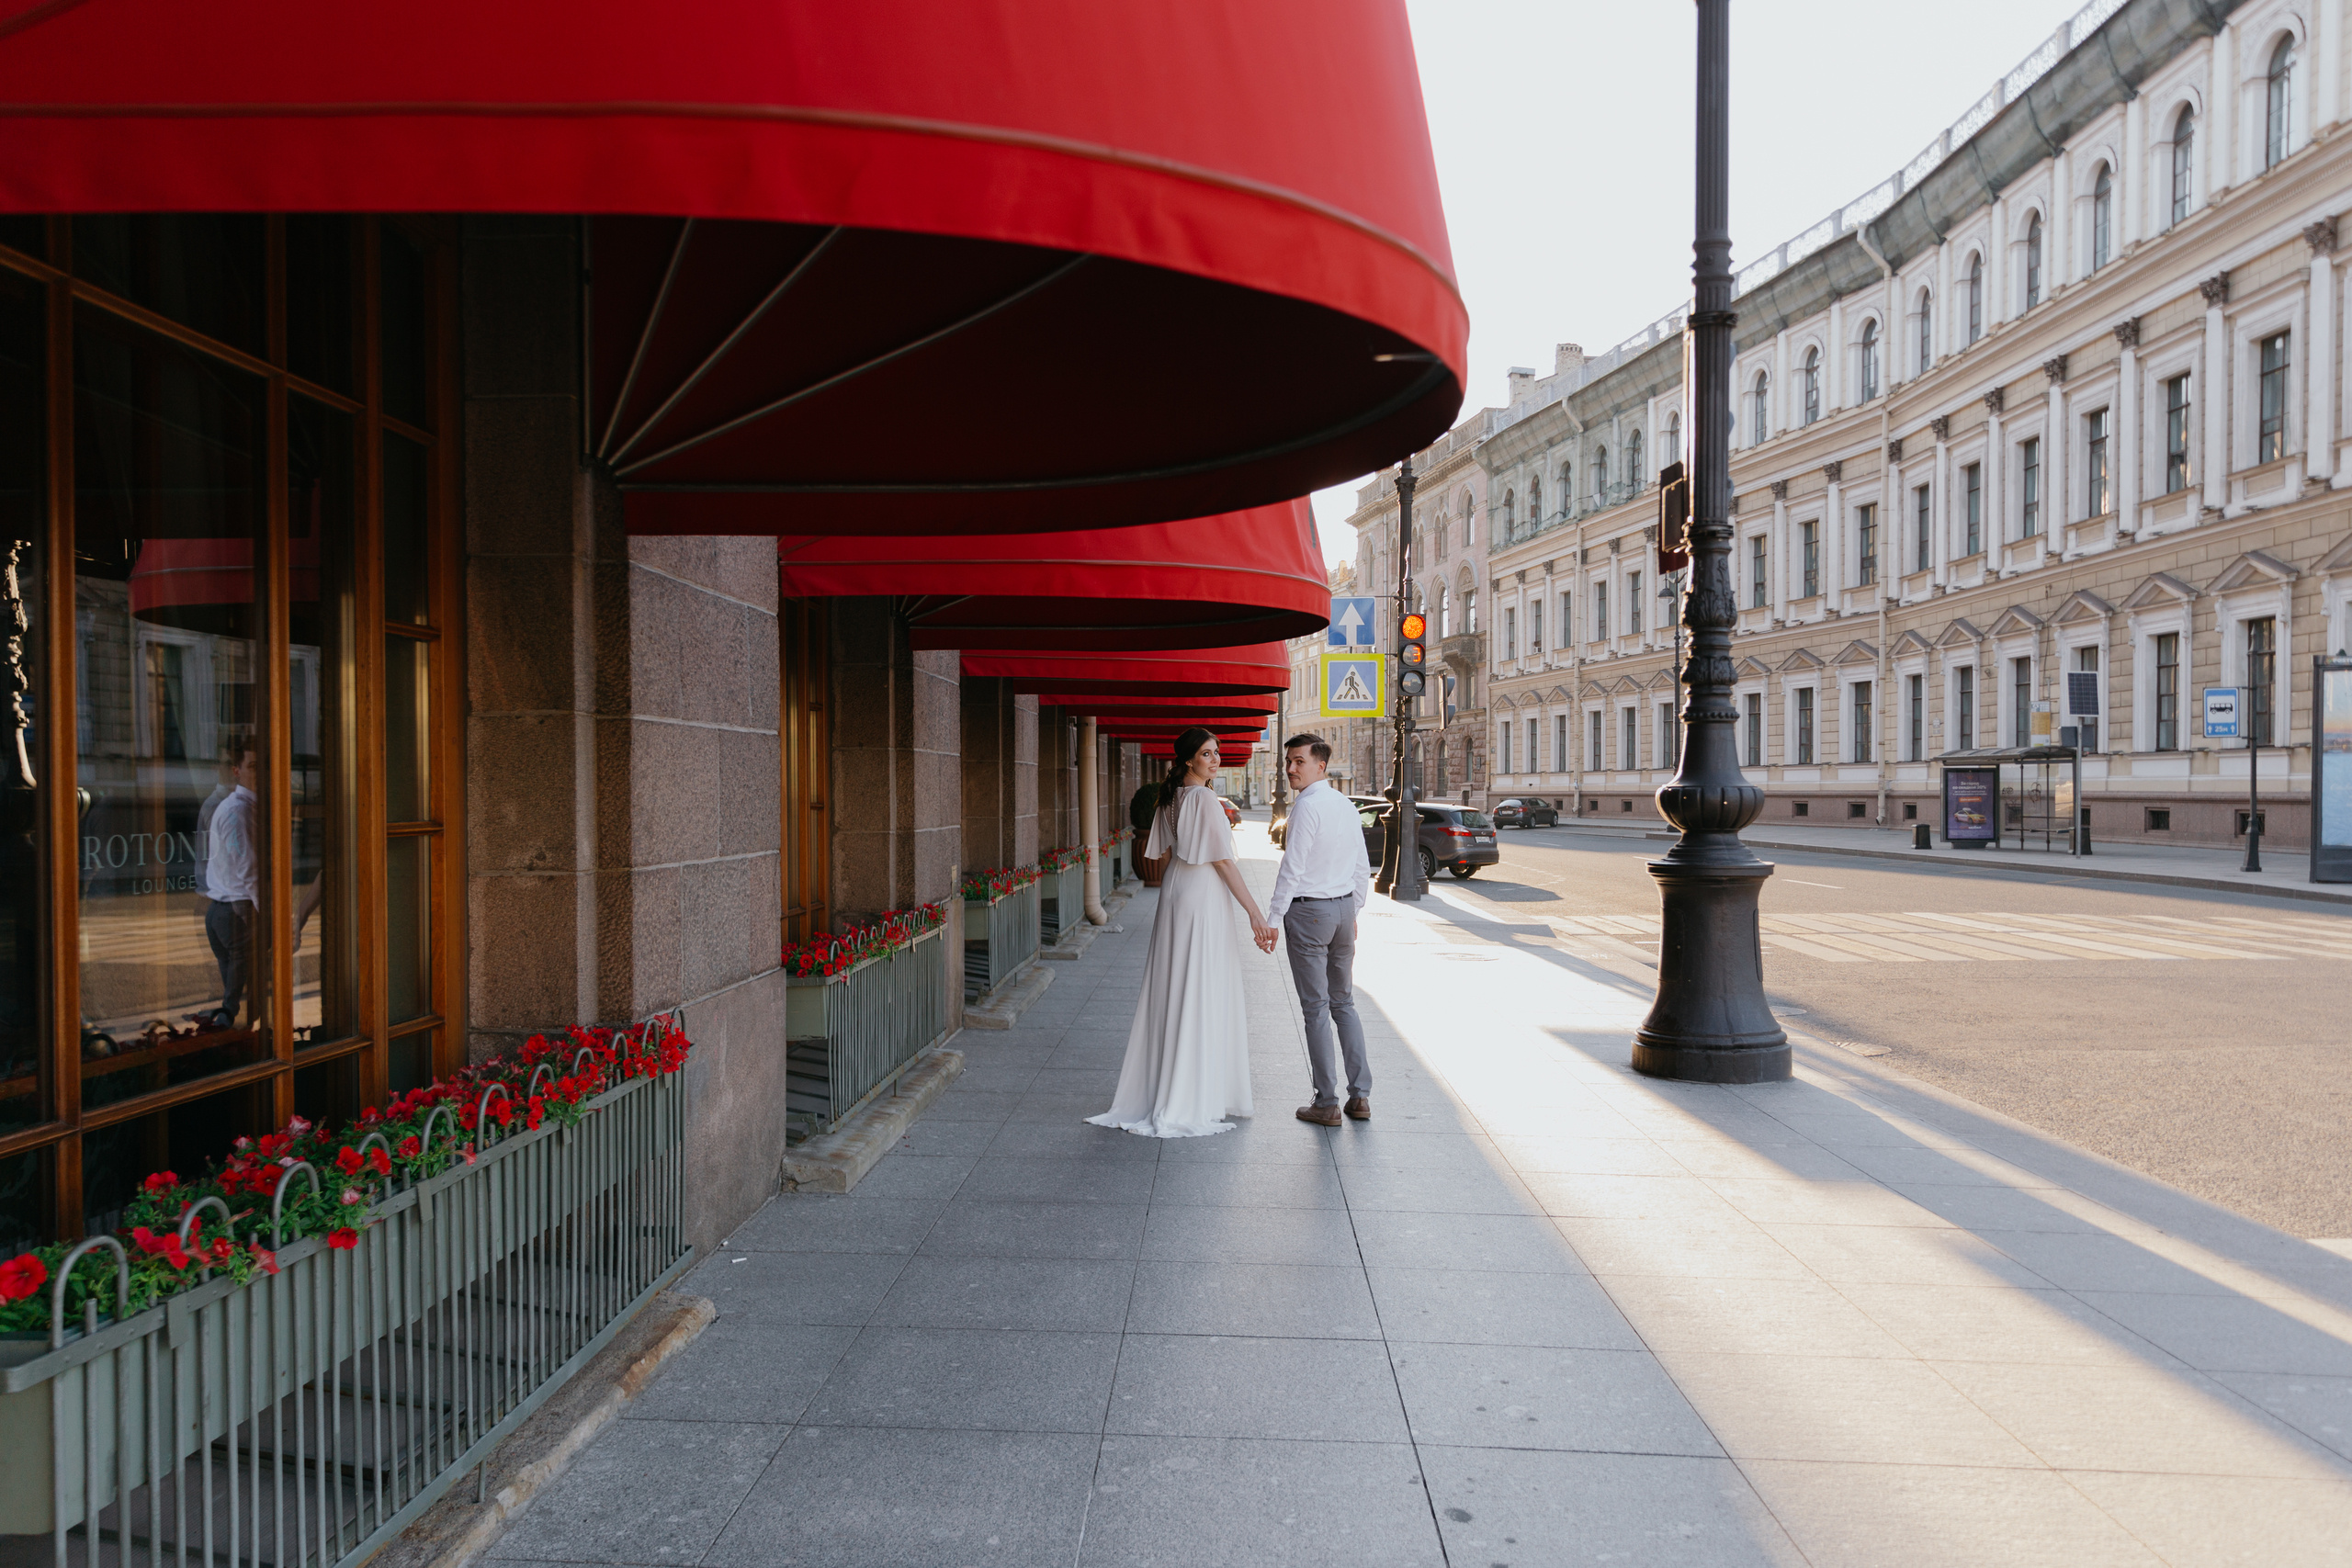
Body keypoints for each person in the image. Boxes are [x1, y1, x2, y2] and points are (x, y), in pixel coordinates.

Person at [1087, 727, 1274, 1137]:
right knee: (1199, 982)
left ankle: (1173, 1085)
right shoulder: (1203, 798)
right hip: (1201, 890)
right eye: (1207, 753)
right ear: (1189, 759)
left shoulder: (1171, 796)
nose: (1216, 759)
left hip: (1176, 888)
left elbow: (1169, 850)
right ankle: (1191, 1093)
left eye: (1217, 752)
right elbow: (1222, 862)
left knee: (1175, 982)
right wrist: (1255, 914)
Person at [1263, 732, 1373, 1125]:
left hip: (1310, 913)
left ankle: (1326, 1103)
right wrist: (1352, 910)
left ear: (1320, 765)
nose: (1291, 768)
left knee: (1316, 1009)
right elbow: (1361, 866)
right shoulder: (1345, 804)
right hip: (1341, 910)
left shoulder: (1306, 807)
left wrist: (1272, 920)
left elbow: (1291, 869)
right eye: (1288, 761)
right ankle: (1360, 1098)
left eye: (1299, 761)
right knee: (1343, 1003)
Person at [202, 746, 259, 1032]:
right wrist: (267, 910)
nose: (261, 773)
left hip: (222, 910)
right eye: (254, 766)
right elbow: (247, 866)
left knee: (237, 973)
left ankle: (236, 1025)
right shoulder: (238, 811)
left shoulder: (237, 806)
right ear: (237, 771)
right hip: (235, 910)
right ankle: (229, 1020)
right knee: (242, 971)